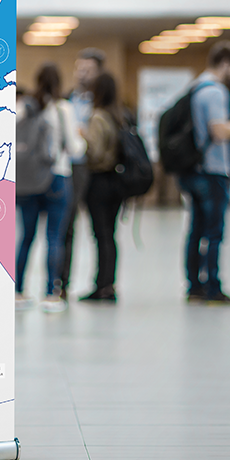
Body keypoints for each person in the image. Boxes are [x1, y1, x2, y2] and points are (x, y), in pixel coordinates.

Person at [178, 41, 230, 304]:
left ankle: (194, 286)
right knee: (214, 232)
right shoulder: (214, 92)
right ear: (225, 63)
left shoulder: (195, 87)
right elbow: (219, 131)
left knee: (195, 230)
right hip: (212, 170)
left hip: (193, 168)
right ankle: (213, 287)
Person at [15, 64, 85, 313]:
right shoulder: (63, 108)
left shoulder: (23, 107)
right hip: (57, 177)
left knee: (26, 237)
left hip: (27, 181)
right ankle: (51, 294)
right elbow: (76, 149)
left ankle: (17, 291)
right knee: (54, 236)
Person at [60, 48, 105, 300]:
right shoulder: (67, 99)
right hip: (72, 167)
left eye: (88, 70)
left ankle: (103, 285)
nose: (82, 74)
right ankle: (62, 284)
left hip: (97, 168)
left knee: (101, 230)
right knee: (66, 225)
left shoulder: (104, 103)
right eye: (79, 68)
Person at [80, 72, 126, 302]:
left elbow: (95, 152)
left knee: (101, 234)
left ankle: (102, 285)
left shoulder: (98, 117)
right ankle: (108, 283)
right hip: (116, 181)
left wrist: (83, 138)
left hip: (99, 181)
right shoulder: (118, 116)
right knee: (110, 234)